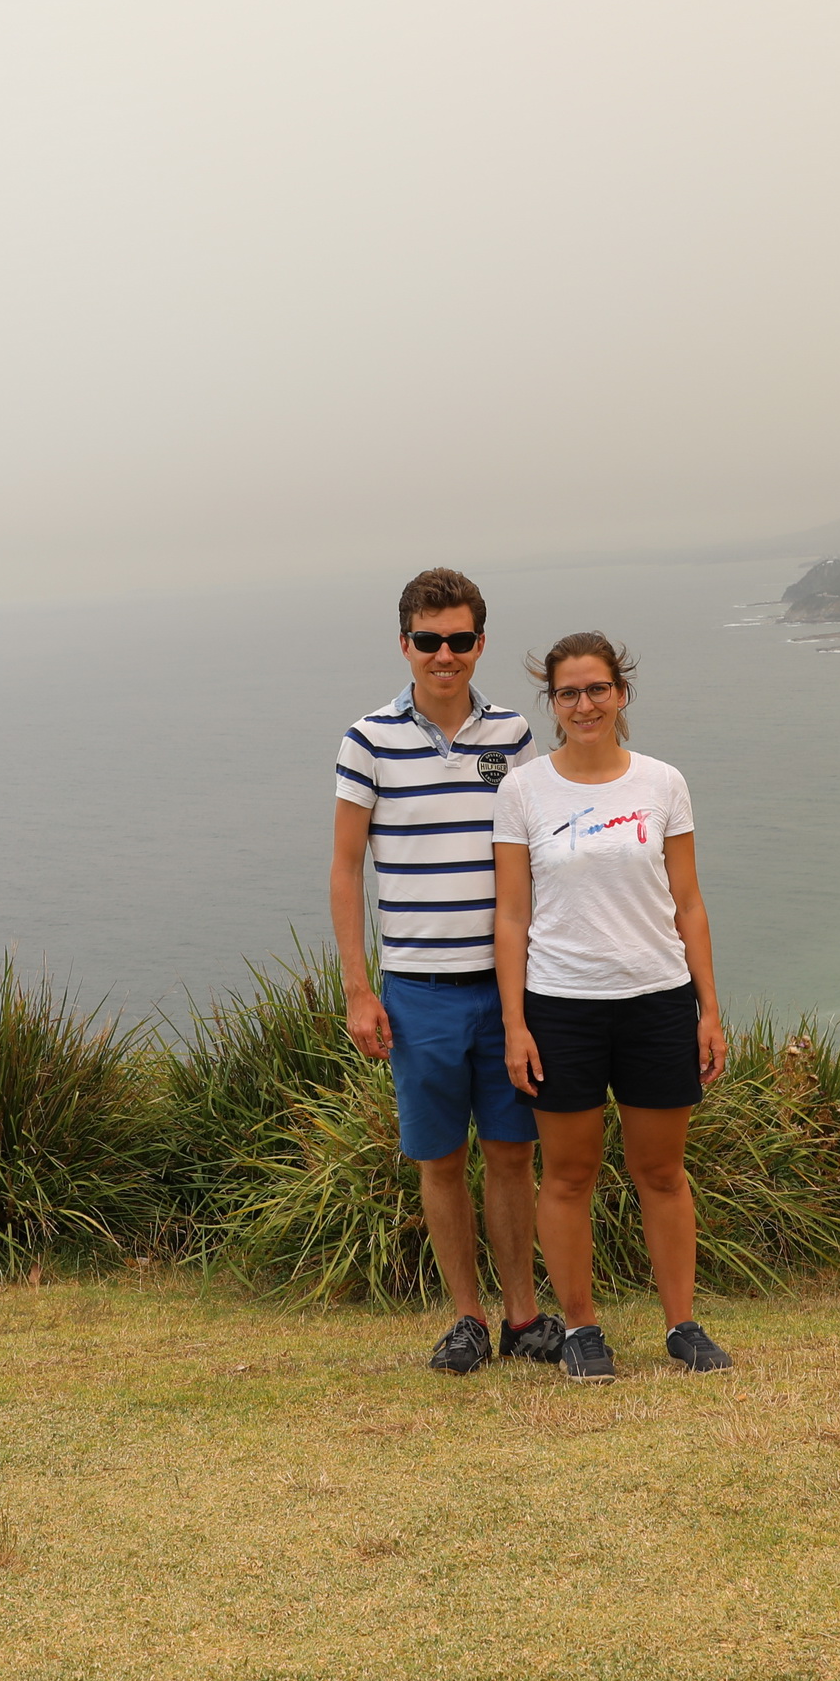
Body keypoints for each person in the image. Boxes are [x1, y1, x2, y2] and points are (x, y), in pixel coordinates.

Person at [331, 567, 559, 1375]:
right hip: (417, 992)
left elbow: (535, 863)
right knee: (441, 1160)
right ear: (405, 645)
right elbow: (345, 869)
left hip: (505, 990)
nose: (445, 655)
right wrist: (359, 990)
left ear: (479, 644)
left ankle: (523, 1316)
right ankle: (466, 1316)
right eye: (429, 641)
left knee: (511, 1153)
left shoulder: (514, 736)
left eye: (460, 640)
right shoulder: (367, 739)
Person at [493, 631, 733, 1381]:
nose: (585, 704)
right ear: (553, 703)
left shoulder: (662, 783)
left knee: (662, 1171)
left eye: (598, 689)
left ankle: (683, 1325)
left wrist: (709, 1009)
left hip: (657, 999)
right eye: (569, 692)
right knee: (567, 1175)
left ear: (621, 693)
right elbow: (511, 916)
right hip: (561, 1003)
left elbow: (688, 902)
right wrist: (514, 1025)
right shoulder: (523, 790)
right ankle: (582, 1329)